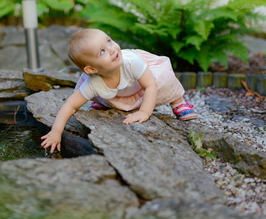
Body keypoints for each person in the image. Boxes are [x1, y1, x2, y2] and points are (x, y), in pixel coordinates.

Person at [41, 28, 198, 153]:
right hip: (119, 89)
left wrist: (144, 112)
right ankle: (104, 102)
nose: (112, 49)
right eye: (102, 51)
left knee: (164, 79)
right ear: (91, 68)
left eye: (109, 41)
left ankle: (178, 102)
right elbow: (71, 105)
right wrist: (56, 132)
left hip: (144, 81)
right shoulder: (94, 83)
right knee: (98, 94)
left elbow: (150, 86)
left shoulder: (131, 62)